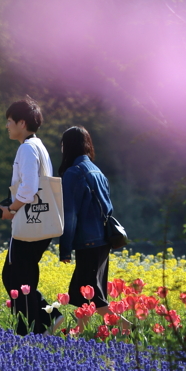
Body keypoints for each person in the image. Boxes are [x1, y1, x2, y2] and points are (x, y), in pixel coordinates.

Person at [0, 97, 61, 335]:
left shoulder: (26, 148)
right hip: (41, 223)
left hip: (28, 224)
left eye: (9, 121)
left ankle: (31, 331)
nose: (7, 126)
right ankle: (47, 315)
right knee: (22, 276)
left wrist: (11, 209)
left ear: (21, 123)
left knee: (15, 278)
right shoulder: (40, 147)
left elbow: (28, 189)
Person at [59, 126, 117, 333]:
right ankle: (78, 333)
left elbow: (70, 214)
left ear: (68, 146)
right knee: (83, 292)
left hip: (88, 241)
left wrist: (65, 249)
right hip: (102, 239)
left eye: (63, 144)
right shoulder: (97, 170)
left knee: (92, 294)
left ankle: (128, 328)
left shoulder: (74, 173)